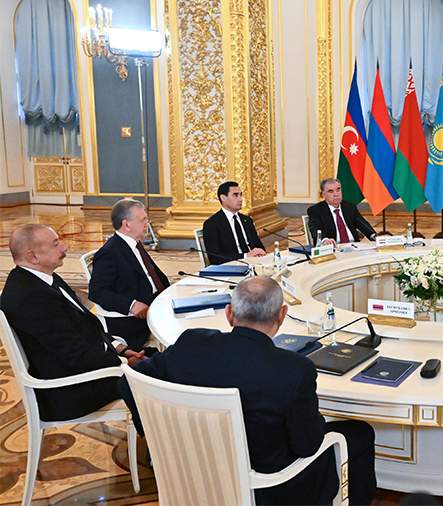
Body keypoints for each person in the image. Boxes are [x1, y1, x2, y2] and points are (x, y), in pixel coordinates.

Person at [118, 277, 376, 505]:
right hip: (270, 489)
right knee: (360, 433)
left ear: (229, 313)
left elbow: (127, 382)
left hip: (193, 473)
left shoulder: (191, 343)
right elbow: (307, 446)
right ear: (281, 315)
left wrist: (156, 438)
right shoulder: (294, 370)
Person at [1, 224, 144, 422]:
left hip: (86, 367)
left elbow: (86, 325)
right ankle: (158, 438)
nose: (65, 247)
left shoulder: (41, 278)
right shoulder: (31, 297)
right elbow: (75, 355)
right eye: (55, 244)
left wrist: (120, 349)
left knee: (162, 360)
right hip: (70, 391)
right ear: (33, 257)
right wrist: (124, 363)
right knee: (158, 377)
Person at [89, 199, 170, 349]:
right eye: (143, 220)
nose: (147, 224)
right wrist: (132, 305)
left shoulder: (135, 244)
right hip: (134, 322)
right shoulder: (109, 253)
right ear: (127, 224)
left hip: (156, 306)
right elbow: (97, 292)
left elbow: (155, 277)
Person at [202, 181, 266, 264]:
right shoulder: (212, 224)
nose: (240, 199)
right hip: (231, 266)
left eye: (241, 195)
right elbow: (215, 258)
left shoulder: (247, 220)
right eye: (235, 195)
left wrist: (259, 253)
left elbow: (258, 246)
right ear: (223, 198)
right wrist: (245, 256)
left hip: (254, 263)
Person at [306, 178, 376, 245]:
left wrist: (374, 236)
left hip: (354, 246)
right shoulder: (315, 210)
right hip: (333, 248)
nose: (336, 194)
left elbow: (363, 225)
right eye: (331, 191)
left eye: (338, 190)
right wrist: (324, 240)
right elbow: (316, 230)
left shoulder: (350, 207)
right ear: (323, 194)